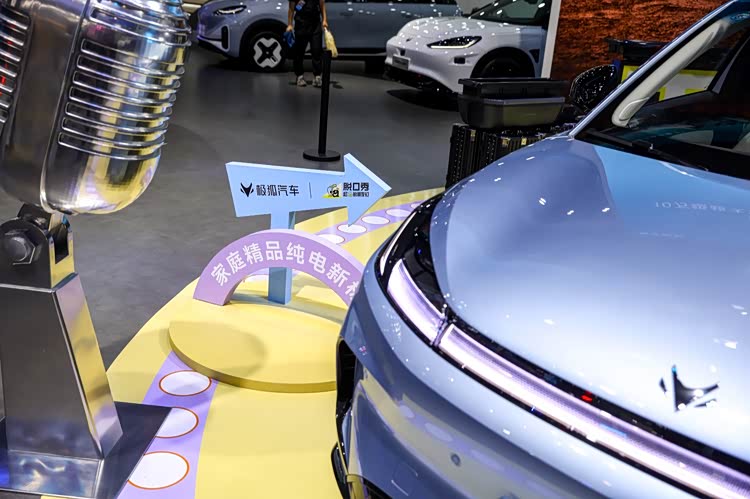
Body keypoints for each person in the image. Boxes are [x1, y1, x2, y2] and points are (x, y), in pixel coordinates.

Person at [287, 0, 328, 87]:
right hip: (301, 24)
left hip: (315, 24)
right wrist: (289, 24)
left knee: (316, 50)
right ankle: (299, 76)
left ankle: (317, 76)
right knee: (299, 52)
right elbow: (291, 9)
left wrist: (324, 20)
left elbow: (322, 4)